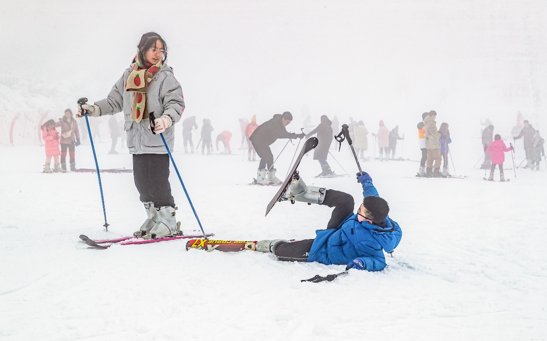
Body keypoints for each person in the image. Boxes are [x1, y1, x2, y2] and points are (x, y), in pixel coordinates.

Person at [77, 32, 185, 239]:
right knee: (141, 182)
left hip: (157, 138)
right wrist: (92, 109)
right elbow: (113, 101)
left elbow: (176, 103)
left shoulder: (165, 77)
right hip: (136, 139)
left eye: (161, 50)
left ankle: (169, 220)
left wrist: (166, 119)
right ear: (142, 50)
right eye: (154, 49)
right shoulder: (130, 75)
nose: (158, 54)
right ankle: (154, 217)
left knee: (158, 180)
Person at [255, 171, 402, 271]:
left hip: (324, 251)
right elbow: (373, 197)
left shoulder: (372, 242)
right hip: (339, 228)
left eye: (361, 211)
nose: (358, 211)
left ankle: (271, 245)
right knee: (346, 200)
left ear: (370, 221)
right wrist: (367, 182)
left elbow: (379, 262)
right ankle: (299, 192)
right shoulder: (379, 215)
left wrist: (362, 263)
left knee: (283, 251)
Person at [249, 111, 305, 185]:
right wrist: (296, 135)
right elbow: (281, 134)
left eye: (289, 123)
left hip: (263, 141)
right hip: (257, 139)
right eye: (287, 122)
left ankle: (271, 177)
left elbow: (284, 133)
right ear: (283, 119)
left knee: (270, 157)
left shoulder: (280, 124)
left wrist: (296, 135)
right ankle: (260, 178)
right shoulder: (275, 123)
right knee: (265, 156)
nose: (287, 124)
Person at [424, 110, 441, 176]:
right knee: (437, 158)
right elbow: (433, 133)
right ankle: (436, 171)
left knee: (429, 158)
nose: (435, 117)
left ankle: (429, 171)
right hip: (433, 143)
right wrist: (439, 134)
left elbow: (427, 133)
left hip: (428, 143)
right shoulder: (431, 122)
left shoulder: (426, 122)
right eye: (435, 116)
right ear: (433, 115)